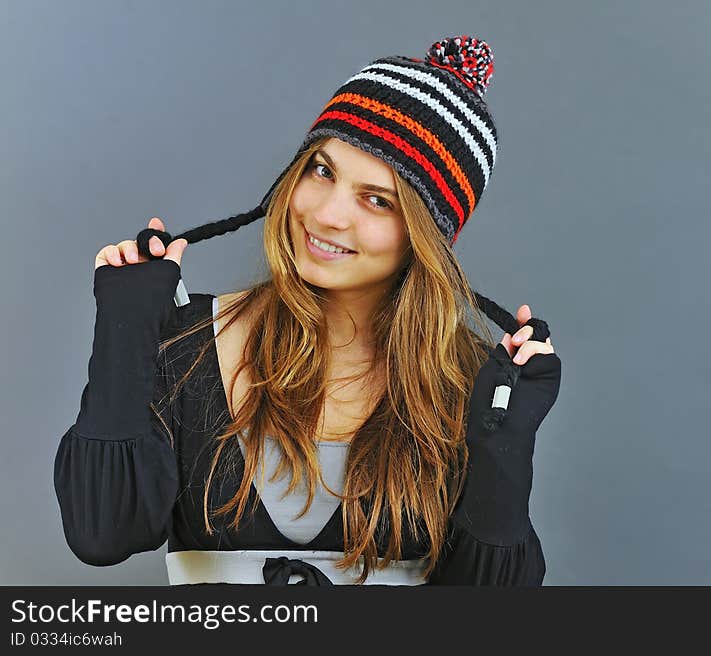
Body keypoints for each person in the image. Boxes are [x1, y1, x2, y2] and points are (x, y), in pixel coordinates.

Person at [54, 35, 562, 585]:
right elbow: (101, 533)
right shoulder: (187, 342)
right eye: (322, 171)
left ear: (428, 235)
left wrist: (504, 448)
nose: (326, 214)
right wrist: (124, 331)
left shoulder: (470, 384)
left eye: (377, 199)